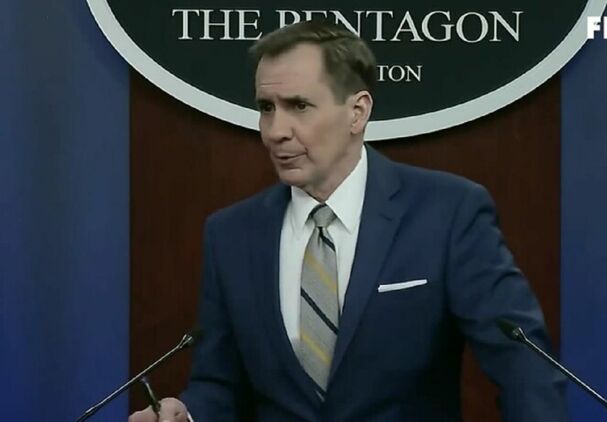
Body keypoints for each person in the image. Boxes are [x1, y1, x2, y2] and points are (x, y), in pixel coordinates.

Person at [130, 20, 567, 422]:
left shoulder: (448, 213)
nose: (275, 130)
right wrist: (187, 415)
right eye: (266, 107)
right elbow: (219, 384)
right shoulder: (231, 235)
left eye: (299, 105)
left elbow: (525, 369)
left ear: (357, 112)